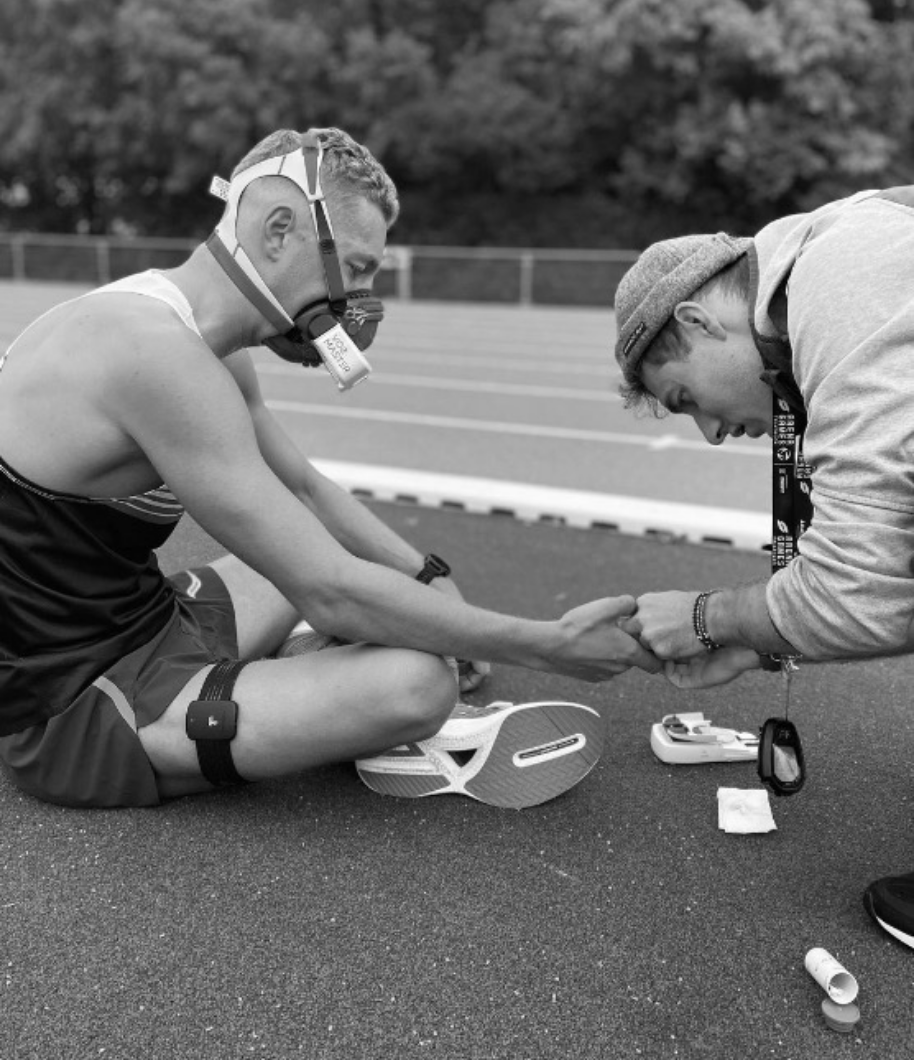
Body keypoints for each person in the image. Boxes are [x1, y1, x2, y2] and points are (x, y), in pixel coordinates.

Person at [0, 126, 659, 813]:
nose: (364, 296)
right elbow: (328, 591)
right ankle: (333, 701)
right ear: (279, 231)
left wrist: (429, 580)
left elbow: (308, 492)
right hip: (78, 707)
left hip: (149, 621)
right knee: (418, 685)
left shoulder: (191, 333)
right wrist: (551, 647)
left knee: (345, 569)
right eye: (359, 266)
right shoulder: (155, 355)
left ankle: (299, 682)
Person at [610, 186, 914, 948]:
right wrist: (759, 641)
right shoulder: (836, 252)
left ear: (696, 319)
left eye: (687, 399)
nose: (713, 434)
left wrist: (710, 616)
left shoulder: (840, 280)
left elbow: (860, 592)